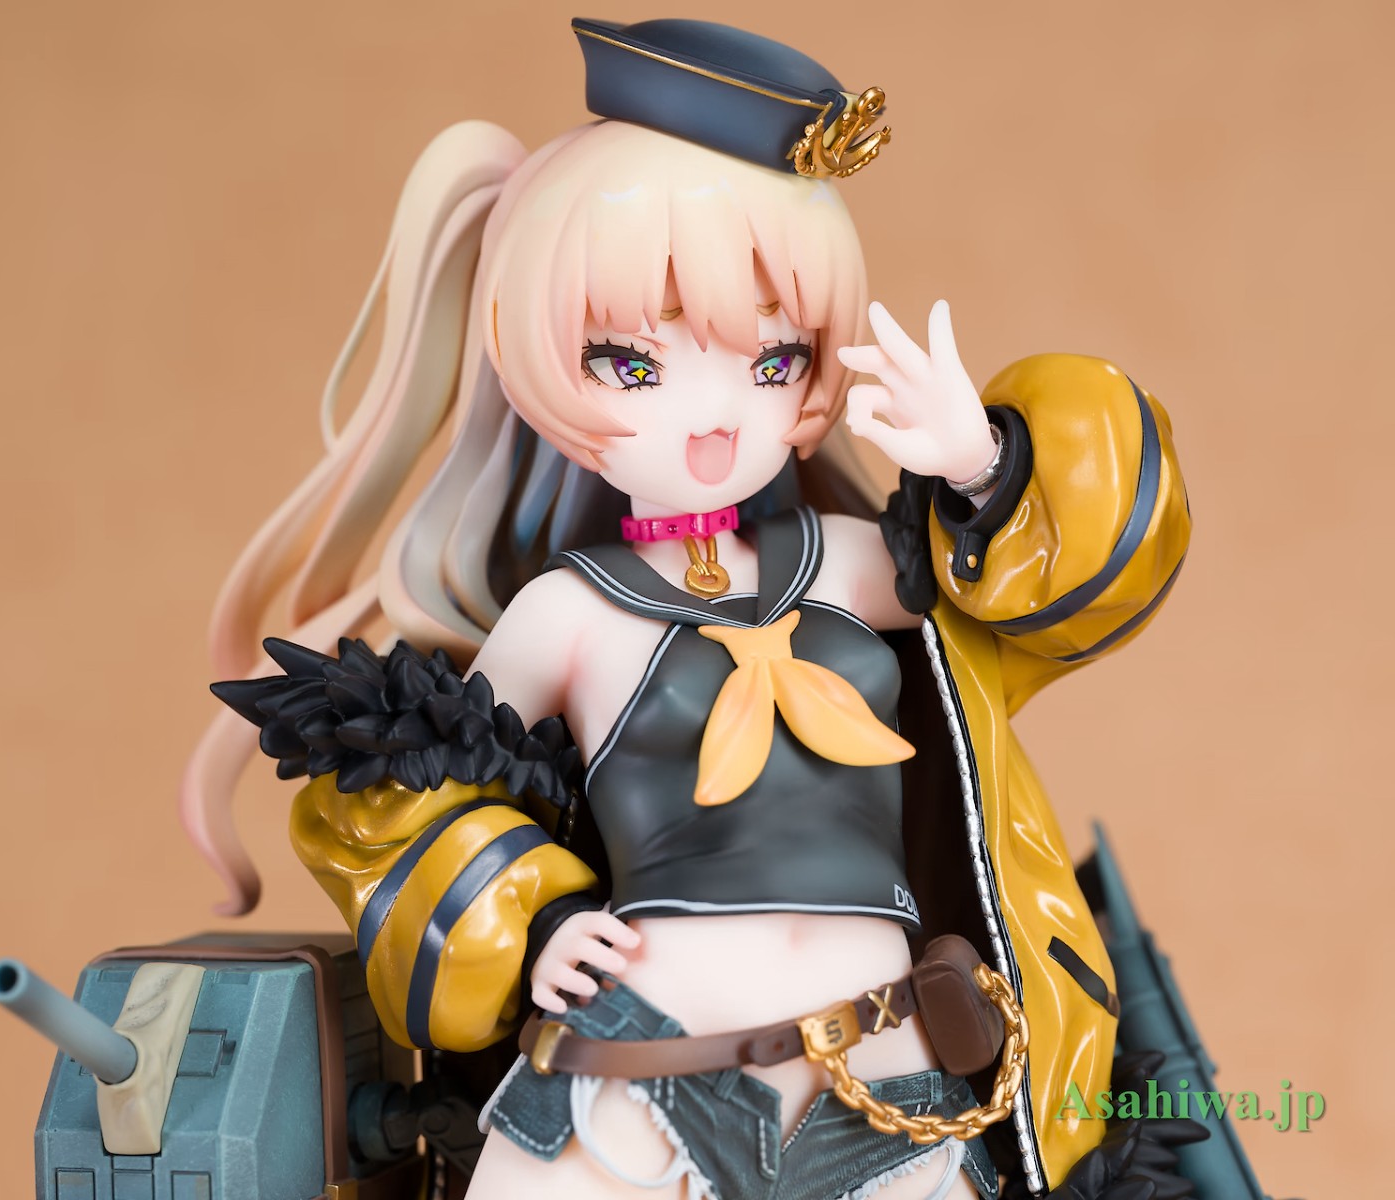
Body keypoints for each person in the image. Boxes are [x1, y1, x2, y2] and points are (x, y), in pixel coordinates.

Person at [194, 18, 1191, 1200]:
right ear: (539, 366)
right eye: (633, 363)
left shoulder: (851, 566)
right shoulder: (568, 615)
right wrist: (530, 918)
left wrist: (981, 465)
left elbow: (1055, 589)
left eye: (773, 363)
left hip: (884, 1076)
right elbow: (404, 786)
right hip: (639, 1075)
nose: (713, 418)